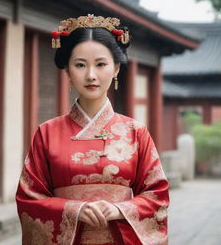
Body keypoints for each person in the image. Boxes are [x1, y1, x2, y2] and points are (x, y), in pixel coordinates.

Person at [16, 14, 169, 245]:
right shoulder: (46, 132)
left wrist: (120, 210)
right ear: (67, 70)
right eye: (80, 65)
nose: (91, 75)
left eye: (101, 64)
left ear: (116, 68)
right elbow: (29, 198)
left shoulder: (136, 131)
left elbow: (157, 196)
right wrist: (74, 210)